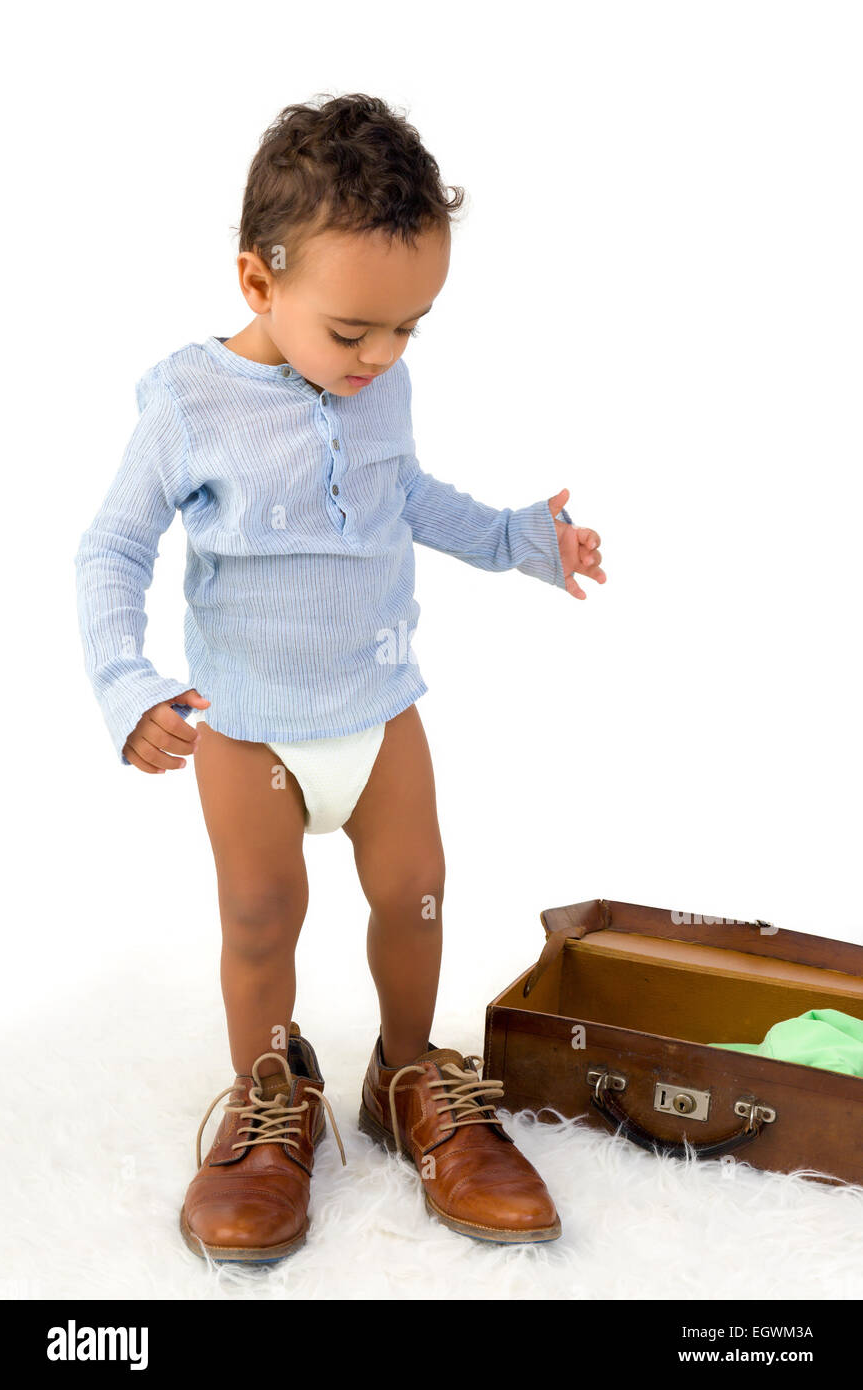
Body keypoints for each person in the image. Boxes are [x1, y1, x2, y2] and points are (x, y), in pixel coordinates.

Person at [74, 93, 606, 1263]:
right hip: (248, 724)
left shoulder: (383, 385)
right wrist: (128, 685)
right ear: (258, 287)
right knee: (262, 915)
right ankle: (272, 1097)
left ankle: (406, 1071)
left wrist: (521, 537)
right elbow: (114, 547)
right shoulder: (187, 402)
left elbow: (405, 497)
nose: (382, 358)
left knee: (416, 892)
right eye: (355, 331)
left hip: (375, 710)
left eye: (410, 329)